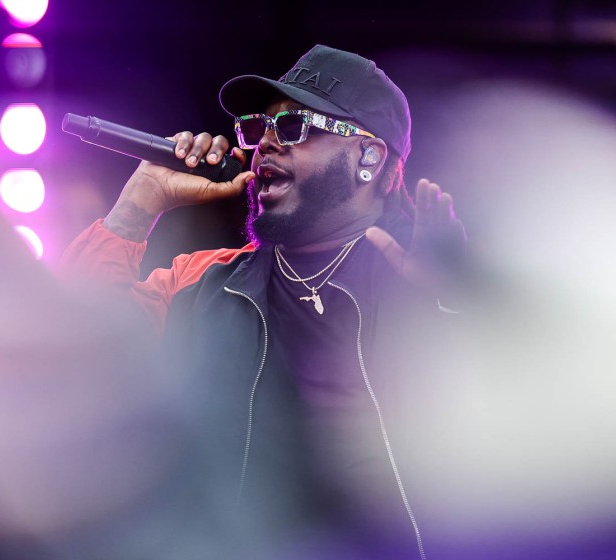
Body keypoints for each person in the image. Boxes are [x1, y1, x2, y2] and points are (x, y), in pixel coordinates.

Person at [61, 44, 467, 559]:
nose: (265, 146)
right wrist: (139, 204)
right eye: (259, 129)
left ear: (369, 156)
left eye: (294, 128)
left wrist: (452, 311)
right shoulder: (202, 281)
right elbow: (72, 361)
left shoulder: (419, 285)